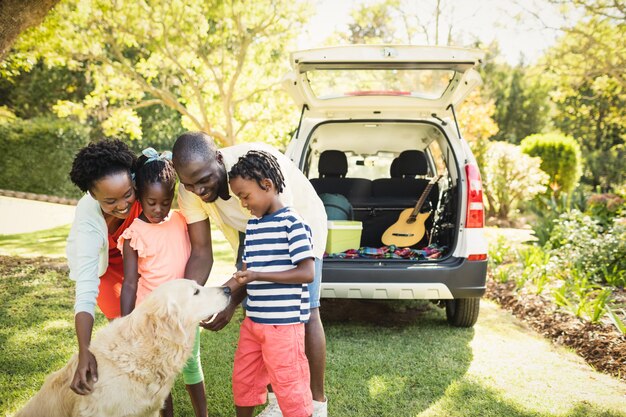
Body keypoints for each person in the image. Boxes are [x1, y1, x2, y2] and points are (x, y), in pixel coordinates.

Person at [172, 131, 328, 417]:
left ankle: (317, 404)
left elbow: (280, 243)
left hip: (298, 224)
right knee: (259, 317)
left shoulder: (260, 167)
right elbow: (201, 252)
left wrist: (233, 293)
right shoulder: (190, 189)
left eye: (204, 180)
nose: (199, 190)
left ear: (218, 158)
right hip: (253, 232)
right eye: (189, 184)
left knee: (305, 312)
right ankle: (275, 402)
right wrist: (192, 298)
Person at [117, 148, 208, 417]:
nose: (159, 209)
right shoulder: (133, 234)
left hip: (184, 312)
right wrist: (125, 322)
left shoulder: (181, 220)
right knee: (160, 372)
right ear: (139, 197)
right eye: (151, 202)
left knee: (191, 363)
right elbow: (130, 283)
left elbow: (197, 257)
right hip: (153, 316)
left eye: (165, 202)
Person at [227, 150, 314, 417]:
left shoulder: (293, 223)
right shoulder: (253, 226)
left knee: (290, 387)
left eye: (245, 195)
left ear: (267, 185)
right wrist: (220, 293)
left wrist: (258, 276)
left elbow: (307, 272)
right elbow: (245, 271)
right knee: (244, 380)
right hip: (253, 323)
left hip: (283, 326)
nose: (243, 203)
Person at [66, 139, 142, 395]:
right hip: (108, 265)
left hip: (142, 256)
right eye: (110, 201)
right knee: (124, 332)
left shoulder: (142, 183)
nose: (122, 205)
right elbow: (86, 290)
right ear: (93, 194)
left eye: (128, 194)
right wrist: (84, 351)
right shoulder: (87, 221)